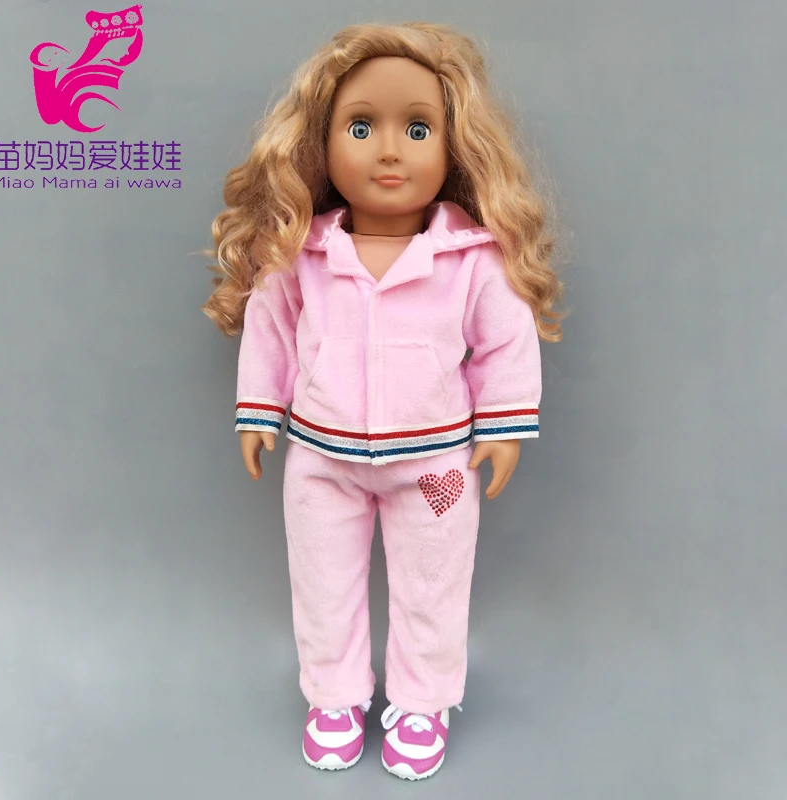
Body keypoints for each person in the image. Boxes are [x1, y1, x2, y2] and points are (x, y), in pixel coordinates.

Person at [203, 21, 566, 781]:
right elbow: (269, 330)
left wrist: (502, 429)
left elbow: (506, 343)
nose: (390, 150)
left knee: (434, 581)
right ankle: (334, 696)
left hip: (434, 469)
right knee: (322, 581)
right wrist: (259, 410)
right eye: (362, 127)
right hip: (322, 463)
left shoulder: (470, 260)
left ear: (455, 146)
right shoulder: (303, 254)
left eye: (418, 128)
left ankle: (422, 701)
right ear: (321, 143)